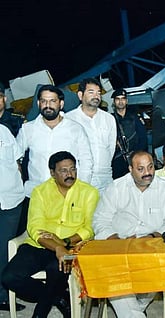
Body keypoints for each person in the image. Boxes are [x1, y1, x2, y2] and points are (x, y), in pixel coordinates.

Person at [2, 151, 99, 318]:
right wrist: (57, 247)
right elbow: (34, 228)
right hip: (39, 246)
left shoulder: (89, 192)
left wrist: (64, 242)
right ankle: (58, 298)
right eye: (63, 170)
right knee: (9, 277)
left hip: (71, 248)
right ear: (52, 173)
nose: (69, 174)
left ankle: (39, 314)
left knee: (58, 269)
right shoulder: (40, 192)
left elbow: (89, 229)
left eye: (73, 169)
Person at [92, 150, 165, 318]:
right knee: (115, 281)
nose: (147, 173)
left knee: (154, 276)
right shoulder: (116, 188)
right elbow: (100, 220)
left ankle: (135, 310)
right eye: (140, 169)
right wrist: (117, 241)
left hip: (151, 249)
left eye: (150, 167)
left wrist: (152, 237)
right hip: (119, 247)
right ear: (130, 169)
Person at [16, 84, 93, 234]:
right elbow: (15, 159)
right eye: (44, 101)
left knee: (67, 237)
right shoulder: (28, 129)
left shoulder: (75, 129)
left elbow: (86, 161)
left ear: (61, 104)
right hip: (34, 196)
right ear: (38, 104)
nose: (48, 105)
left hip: (67, 196)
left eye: (52, 101)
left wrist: (78, 191)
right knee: (36, 237)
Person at [65, 77, 116, 192]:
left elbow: (111, 148)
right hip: (80, 179)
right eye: (91, 92)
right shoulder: (69, 119)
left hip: (106, 178)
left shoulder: (109, 119)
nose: (96, 96)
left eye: (98, 93)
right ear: (80, 95)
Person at [0, 124, 25, 312]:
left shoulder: (4, 131)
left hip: (11, 201)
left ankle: (3, 297)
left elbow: (17, 162)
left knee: (4, 251)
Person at [110, 88, 148, 179]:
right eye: (118, 99)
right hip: (117, 160)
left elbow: (143, 139)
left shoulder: (134, 117)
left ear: (126, 101)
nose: (120, 101)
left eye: (123, 99)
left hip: (134, 158)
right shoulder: (109, 119)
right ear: (114, 102)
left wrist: (137, 157)